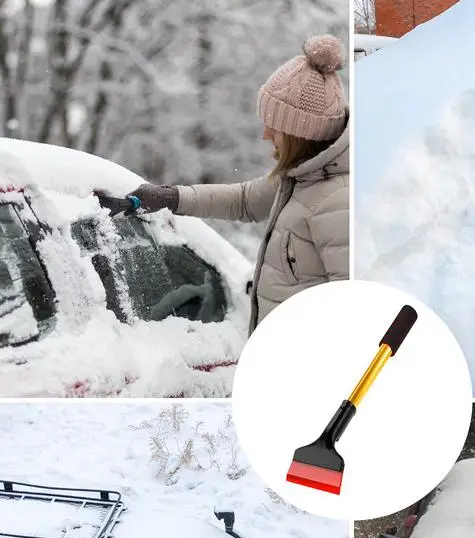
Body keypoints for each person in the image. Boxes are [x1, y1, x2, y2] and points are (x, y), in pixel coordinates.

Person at [129, 34, 349, 334]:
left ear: (301, 134)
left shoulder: (336, 202)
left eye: (275, 126)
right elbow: (244, 200)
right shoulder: (301, 179)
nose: (265, 134)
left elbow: (354, 313)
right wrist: (171, 197)